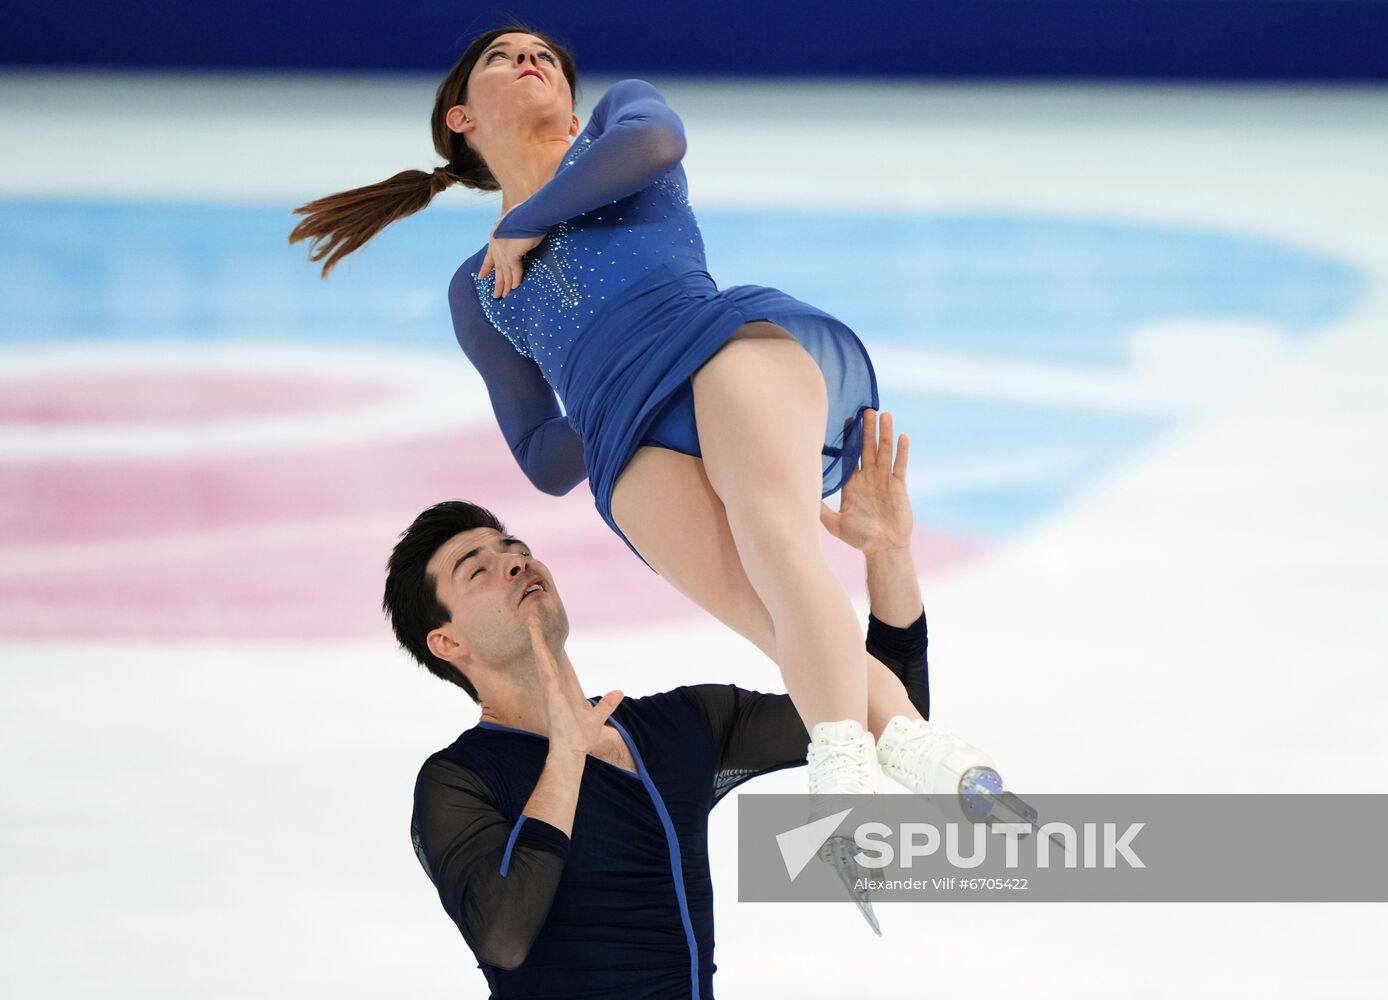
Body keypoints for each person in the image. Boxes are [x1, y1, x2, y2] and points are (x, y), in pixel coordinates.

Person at [293, 22, 1017, 813]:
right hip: (626, 437)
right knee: (763, 614)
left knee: (774, 539)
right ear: (461, 118)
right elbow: (542, 454)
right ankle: (922, 749)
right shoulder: (477, 290)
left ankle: (840, 776)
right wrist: (603, 386)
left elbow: (661, 141)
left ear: (572, 110)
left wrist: (524, 223)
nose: (529, 58)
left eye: (545, 56)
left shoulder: (615, 130)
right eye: (500, 57)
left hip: (717, 350)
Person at [390, 410, 939, 998]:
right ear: (448, 644)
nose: (516, 562)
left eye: (515, 548)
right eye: (480, 571)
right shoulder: (458, 781)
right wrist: (566, 758)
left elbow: (878, 716)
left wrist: (888, 556)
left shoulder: (681, 726)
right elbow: (502, 936)